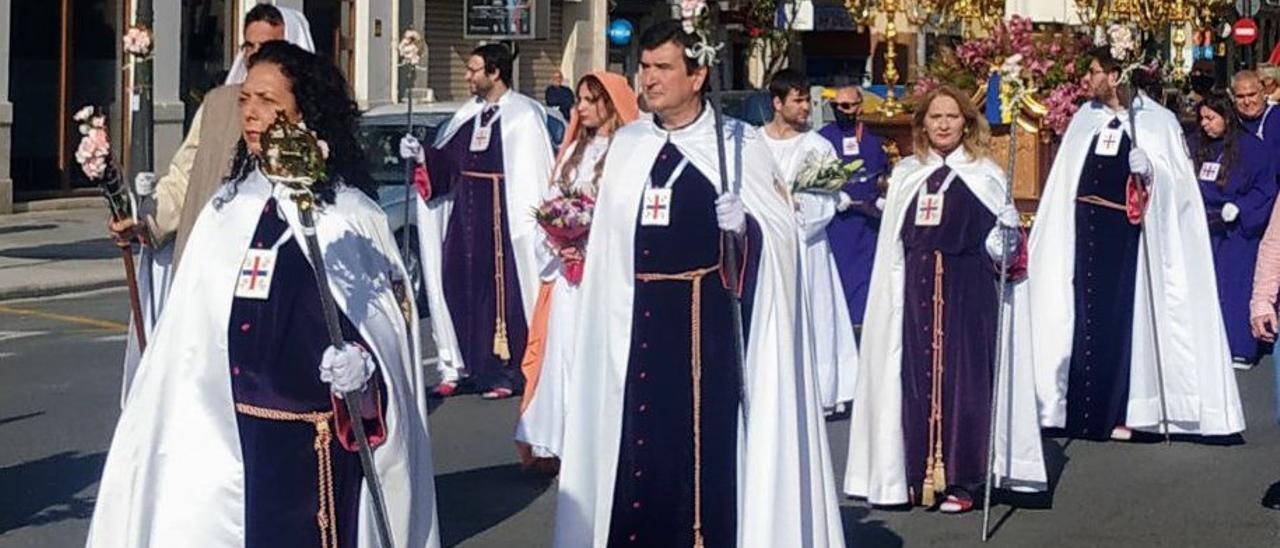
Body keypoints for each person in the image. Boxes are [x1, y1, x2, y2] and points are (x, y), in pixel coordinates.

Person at [86, 42, 439, 548]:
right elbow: (187, 332)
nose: (251, 113)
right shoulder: (225, 210)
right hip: (225, 427)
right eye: (245, 99)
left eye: (269, 101)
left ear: (304, 111)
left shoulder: (349, 213)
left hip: (313, 437)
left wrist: (364, 366)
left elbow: (385, 325)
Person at [552, 20, 845, 547]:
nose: (649, 79)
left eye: (663, 68)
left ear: (698, 74)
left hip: (706, 336)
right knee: (637, 451)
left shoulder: (737, 145)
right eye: (644, 67)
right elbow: (612, 250)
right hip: (635, 331)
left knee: (703, 457)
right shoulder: (630, 145)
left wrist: (746, 230)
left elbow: (780, 246)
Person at [1018, 47, 1245, 442]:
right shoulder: (1083, 120)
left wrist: (1152, 170)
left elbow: (1181, 193)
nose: (1088, 80)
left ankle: (1126, 407)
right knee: (1081, 318)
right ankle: (1076, 409)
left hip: (1128, 239)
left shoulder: (1156, 122)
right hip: (1084, 231)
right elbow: (1064, 181)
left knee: (1123, 320)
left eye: (1094, 71)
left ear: (1117, 74)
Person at [843, 86, 1044, 513]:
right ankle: (915, 473)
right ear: (923, 124)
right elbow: (894, 247)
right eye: (935, 118)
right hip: (915, 291)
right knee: (915, 381)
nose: (943, 125)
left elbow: (1003, 255)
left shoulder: (985, 174)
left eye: (952, 117)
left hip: (967, 292)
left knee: (964, 384)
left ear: (967, 123)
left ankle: (964, 479)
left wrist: (1006, 231)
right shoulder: (907, 174)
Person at [108, 4, 315, 404]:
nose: (255, 57)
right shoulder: (220, 104)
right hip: (207, 272)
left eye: (267, 47)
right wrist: (144, 222)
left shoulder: (311, 116)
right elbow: (185, 176)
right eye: (248, 46)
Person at [401, 44, 555, 399]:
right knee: (455, 285)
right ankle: (461, 364)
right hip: (465, 223)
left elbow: (532, 176)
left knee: (500, 297)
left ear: (495, 72)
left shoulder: (523, 116)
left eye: (473, 70)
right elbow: (449, 164)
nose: (468, 77)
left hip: (502, 223)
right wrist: (422, 154)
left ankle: (505, 371)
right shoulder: (469, 114)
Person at [514, 71, 639, 471]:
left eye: (589, 99)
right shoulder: (571, 154)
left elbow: (626, 214)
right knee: (564, 356)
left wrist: (588, 243)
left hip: (602, 276)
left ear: (610, 102)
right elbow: (550, 203)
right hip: (568, 279)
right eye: (579, 100)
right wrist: (559, 239)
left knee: (601, 355)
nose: (580, 107)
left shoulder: (629, 150)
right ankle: (562, 441)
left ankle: (603, 443)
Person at [759, 68, 859, 415]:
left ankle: (816, 390)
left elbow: (830, 200)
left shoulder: (819, 146)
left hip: (807, 247)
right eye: (798, 100)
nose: (805, 107)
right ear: (777, 102)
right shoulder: (757, 143)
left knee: (812, 316)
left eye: (806, 100)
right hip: (767, 247)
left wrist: (797, 206)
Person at [1191, 91, 1278, 368]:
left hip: (1237, 231)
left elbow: (1265, 186)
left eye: (1211, 117)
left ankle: (1240, 344)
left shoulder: (1251, 148)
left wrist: (1242, 206)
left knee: (1235, 286)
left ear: (1225, 117)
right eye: (1202, 118)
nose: (1205, 124)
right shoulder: (1198, 146)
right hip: (1206, 226)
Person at [818, 79, 890, 329]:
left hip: (868, 222)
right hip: (837, 221)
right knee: (838, 274)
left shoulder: (873, 139)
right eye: (837, 105)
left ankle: (863, 323)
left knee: (865, 274)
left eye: (848, 106)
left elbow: (885, 173)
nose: (842, 110)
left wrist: (882, 200)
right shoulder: (822, 139)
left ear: (859, 106)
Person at [1233, 70, 1280, 145]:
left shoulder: (1277, 117)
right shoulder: (1230, 122)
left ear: (1263, 93)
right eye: (1240, 96)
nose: (1247, 102)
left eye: (1252, 95)